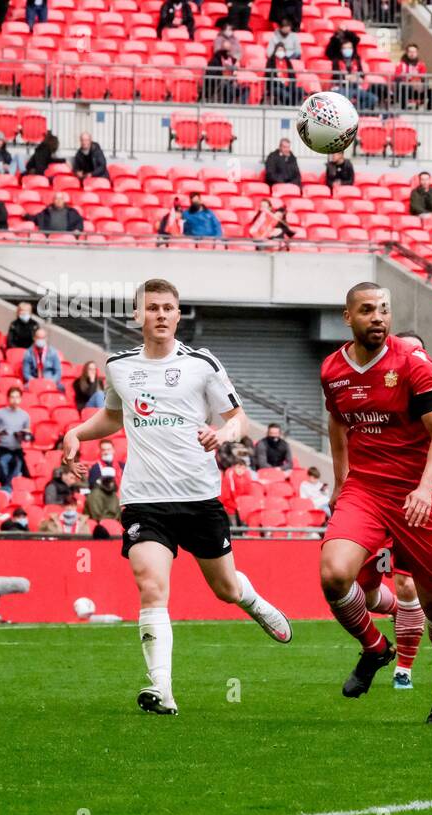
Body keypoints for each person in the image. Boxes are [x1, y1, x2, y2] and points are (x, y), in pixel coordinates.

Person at [61, 278, 292, 716]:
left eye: (168, 308)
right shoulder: (118, 366)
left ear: (179, 314)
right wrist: (75, 431)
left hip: (199, 497)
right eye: (152, 308)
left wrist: (222, 433)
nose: (161, 315)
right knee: (150, 586)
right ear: (137, 315)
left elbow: (240, 419)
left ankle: (253, 601)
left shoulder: (202, 363)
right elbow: (112, 416)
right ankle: (161, 690)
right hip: (145, 501)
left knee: (225, 588)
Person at [317, 285, 432, 723]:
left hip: (420, 496)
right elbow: (338, 422)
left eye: (384, 309)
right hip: (366, 490)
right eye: (367, 310)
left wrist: (424, 487)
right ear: (348, 317)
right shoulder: (332, 370)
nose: (379, 317)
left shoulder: (413, 364)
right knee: (334, 574)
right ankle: (375, 647)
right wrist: (342, 482)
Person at [394, 43, 432, 110]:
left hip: (416, 87)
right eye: (410, 52)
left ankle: (426, 107)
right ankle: (404, 107)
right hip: (404, 86)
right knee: (403, 85)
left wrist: (416, 81)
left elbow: (423, 77)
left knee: (431, 89)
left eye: (414, 52)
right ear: (407, 53)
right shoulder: (401, 64)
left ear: (417, 53)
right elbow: (397, 76)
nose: (412, 54)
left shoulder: (421, 64)